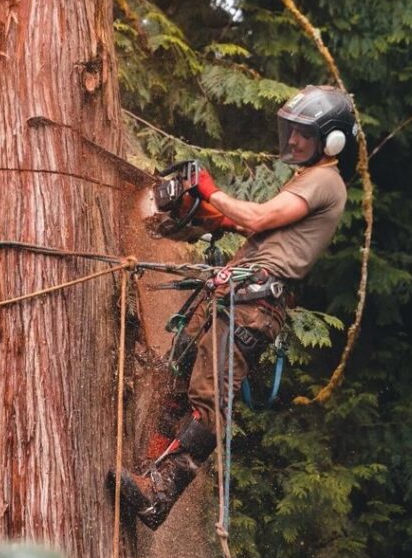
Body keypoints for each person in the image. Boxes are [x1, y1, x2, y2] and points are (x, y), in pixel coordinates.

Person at [117, 85, 357, 529]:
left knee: (207, 398)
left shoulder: (326, 180)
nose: (292, 141)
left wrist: (209, 187)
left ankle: (158, 494)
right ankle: (147, 466)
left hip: (254, 306)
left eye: (303, 134)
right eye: (291, 131)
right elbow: (249, 221)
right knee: (176, 378)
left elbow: (258, 219)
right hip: (234, 297)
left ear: (332, 140)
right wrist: (200, 212)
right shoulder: (304, 179)